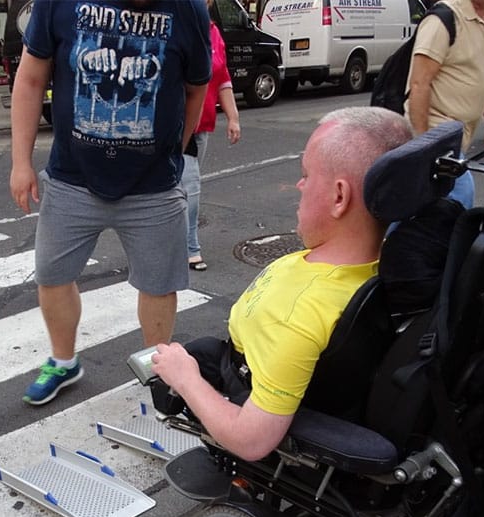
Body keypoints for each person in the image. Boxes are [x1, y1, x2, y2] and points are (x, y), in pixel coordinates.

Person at [150, 107, 413, 461]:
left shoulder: (295, 315)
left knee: (180, 366)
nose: (300, 185)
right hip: (252, 358)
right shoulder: (383, 263)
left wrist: (186, 379)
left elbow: (251, 439)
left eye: (306, 175)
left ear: (339, 197)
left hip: (246, 389)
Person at [10, 0, 212, 406]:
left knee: (159, 285)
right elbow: (31, 79)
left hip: (153, 185)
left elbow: (196, 89)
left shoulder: (188, 8)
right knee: (52, 274)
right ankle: (63, 362)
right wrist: (20, 162)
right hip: (72, 177)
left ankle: (158, 372)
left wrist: (175, 149)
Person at [406, 0, 484, 207]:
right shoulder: (443, 19)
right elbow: (419, 83)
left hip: (460, 135)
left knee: (421, 207)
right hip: (437, 132)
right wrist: (423, 147)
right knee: (461, 196)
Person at [182, 0, 241, 272]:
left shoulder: (214, 32)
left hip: (203, 126)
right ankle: (190, 248)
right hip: (178, 125)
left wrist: (233, 117)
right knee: (190, 186)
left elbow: (223, 77)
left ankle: (165, 239)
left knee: (178, 190)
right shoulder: (177, 24)